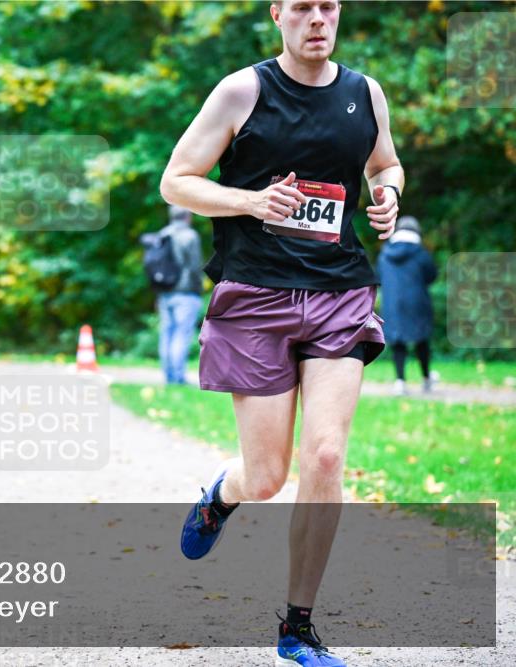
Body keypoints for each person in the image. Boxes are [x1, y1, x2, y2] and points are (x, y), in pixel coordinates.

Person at [159, 1, 402, 665]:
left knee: (324, 456)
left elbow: (385, 164)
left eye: (328, 6)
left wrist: (388, 192)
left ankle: (297, 627)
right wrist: (251, 201)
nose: (317, 19)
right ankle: (221, 496)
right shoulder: (242, 91)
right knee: (266, 476)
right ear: (278, 15)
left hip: (339, 293)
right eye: (302, 7)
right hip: (256, 296)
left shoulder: (365, 93)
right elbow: (176, 182)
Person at [376, 215, 437, 396]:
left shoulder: (385, 254)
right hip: (417, 302)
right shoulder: (420, 253)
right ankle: (426, 379)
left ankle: (400, 382)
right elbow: (431, 276)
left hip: (392, 303)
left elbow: (378, 277)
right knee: (421, 339)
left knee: (398, 341)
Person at [157, 205, 204, 385]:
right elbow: (194, 267)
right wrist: (199, 289)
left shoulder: (162, 234)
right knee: (181, 334)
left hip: (165, 292)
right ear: (187, 217)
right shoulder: (190, 236)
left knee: (166, 333)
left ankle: (168, 375)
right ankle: (178, 377)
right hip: (185, 292)